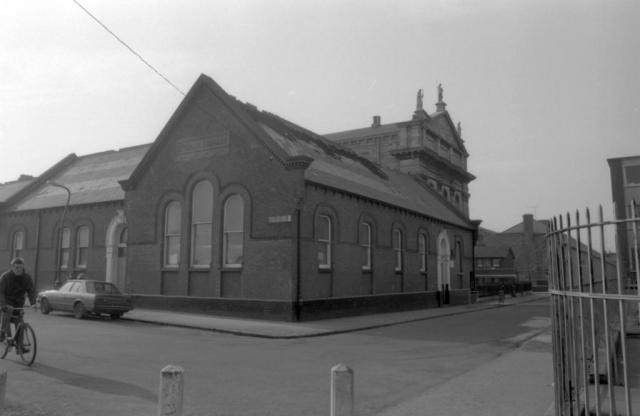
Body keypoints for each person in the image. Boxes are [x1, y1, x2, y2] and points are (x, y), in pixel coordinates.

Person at [0, 257, 37, 342]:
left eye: (20, 267)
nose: (18, 269)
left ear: (23, 267)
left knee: (20, 323)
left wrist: (33, 303)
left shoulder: (26, 278)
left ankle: (20, 346)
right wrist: (3, 304)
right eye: (16, 267)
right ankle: (3, 334)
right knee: (7, 313)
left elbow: (31, 290)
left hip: (18, 304)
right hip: (6, 303)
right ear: (12, 267)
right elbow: (0, 292)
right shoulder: (5, 277)